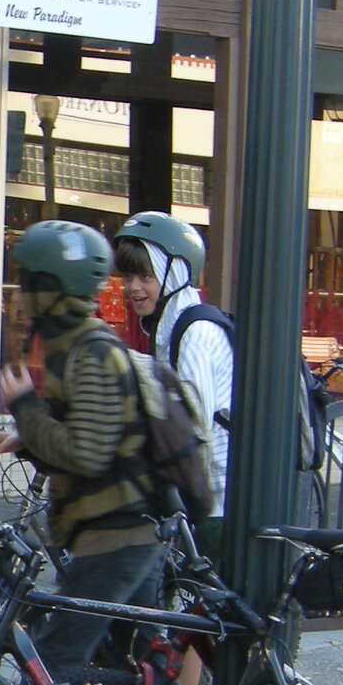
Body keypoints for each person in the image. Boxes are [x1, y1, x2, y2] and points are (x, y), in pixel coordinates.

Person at [0, 219, 157, 685]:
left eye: (30, 281)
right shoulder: (73, 344)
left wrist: (24, 407)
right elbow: (79, 431)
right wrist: (25, 436)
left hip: (117, 534)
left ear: (54, 288)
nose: (21, 293)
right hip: (123, 528)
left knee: (52, 666)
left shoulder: (91, 351)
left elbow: (86, 453)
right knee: (139, 667)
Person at [113, 211, 231, 516]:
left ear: (175, 273)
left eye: (145, 276)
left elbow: (192, 424)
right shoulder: (170, 328)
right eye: (127, 277)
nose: (133, 287)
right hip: (200, 494)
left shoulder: (195, 334)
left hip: (216, 502)